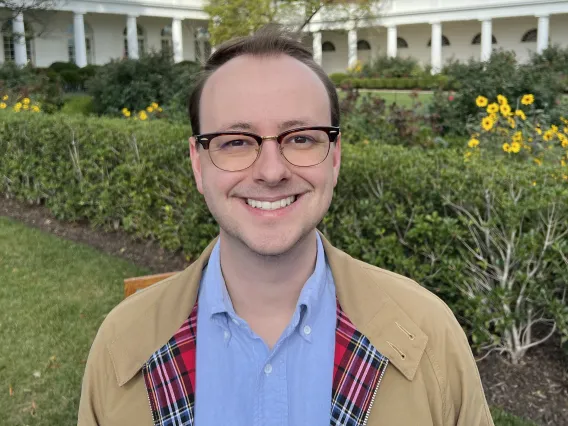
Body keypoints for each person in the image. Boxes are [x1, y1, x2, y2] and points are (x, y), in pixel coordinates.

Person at [78, 26, 494, 426]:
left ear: (334, 157)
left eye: (300, 138)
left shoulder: (430, 336)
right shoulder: (121, 343)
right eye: (236, 142)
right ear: (197, 163)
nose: (272, 171)